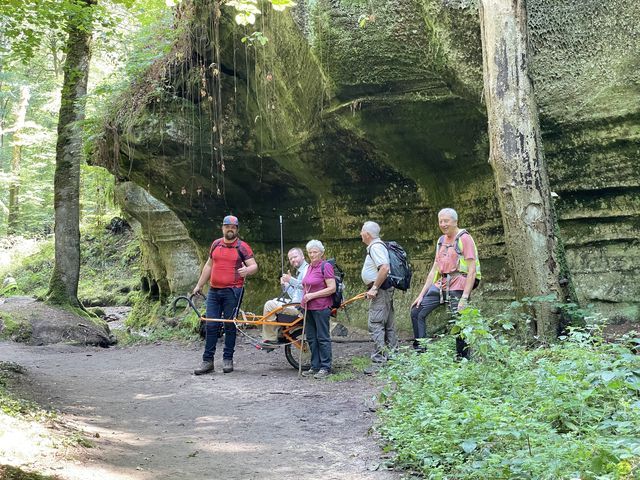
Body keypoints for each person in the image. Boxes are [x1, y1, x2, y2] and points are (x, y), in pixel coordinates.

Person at [192, 215, 258, 375]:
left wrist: (247, 270)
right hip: (214, 291)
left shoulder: (242, 247)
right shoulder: (216, 244)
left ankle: (227, 359)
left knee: (230, 325)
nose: (230, 229)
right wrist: (199, 285)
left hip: (233, 291)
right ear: (222, 228)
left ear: (237, 230)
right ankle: (207, 362)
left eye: (233, 227)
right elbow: (209, 265)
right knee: (211, 325)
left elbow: (254, 265)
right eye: (227, 226)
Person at [410, 208, 479, 359]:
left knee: (460, 321)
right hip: (442, 283)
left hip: (459, 282)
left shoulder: (464, 238)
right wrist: (421, 295)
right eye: (440, 221)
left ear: (455, 221)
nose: (443, 224)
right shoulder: (441, 240)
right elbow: (434, 269)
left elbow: (472, 270)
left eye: (446, 221)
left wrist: (464, 298)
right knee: (416, 311)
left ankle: (462, 359)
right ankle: (421, 353)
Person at [360, 221, 398, 371]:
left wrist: (374, 288)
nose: (360, 234)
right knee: (389, 325)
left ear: (367, 234)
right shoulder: (379, 246)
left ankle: (379, 361)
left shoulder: (375, 247)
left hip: (380, 291)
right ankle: (393, 357)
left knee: (375, 324)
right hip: (384, 290)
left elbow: (384, 268)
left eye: (362, 231)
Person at [300, 240, 336, 379]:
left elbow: (331, 288)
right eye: (310, 252)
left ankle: (325, 367)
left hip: (321, 307)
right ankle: (315, 366)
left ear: (321, 253)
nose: (312, 255)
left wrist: (312, 295)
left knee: (322, 337)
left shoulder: (325, 266)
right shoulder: (309, 267)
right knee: (311, 338)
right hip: (308, 308)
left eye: (315, 252)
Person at [261, 247, 308, 344]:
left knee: (269, 305)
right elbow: (296, 294)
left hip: (300, 308)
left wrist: (290, 280)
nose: (293, 260)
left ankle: (271, 338)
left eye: (295, 257)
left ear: (303, 256)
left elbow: (306, 286)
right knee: (274, 301)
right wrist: (285, 285)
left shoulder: (307, 269)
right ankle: (279, 333)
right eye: (290, 259)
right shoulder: (299, 271)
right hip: (297, 303)